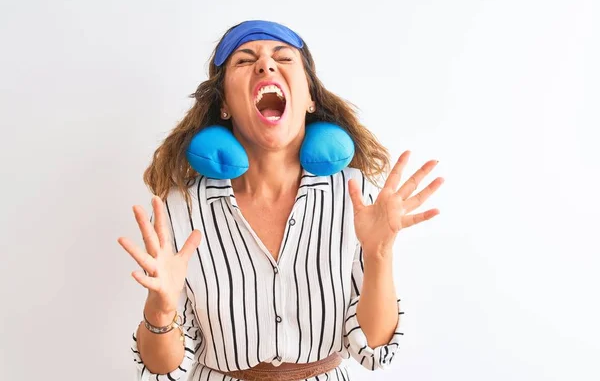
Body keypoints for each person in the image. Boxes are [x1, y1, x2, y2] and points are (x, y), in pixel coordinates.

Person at [119, 20, 443, 381]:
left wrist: (379, 254)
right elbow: (162, 371)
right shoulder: (183, 209)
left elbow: (375, 348)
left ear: (309, 98)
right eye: (244, 60)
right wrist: (161, 310)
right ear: (224, 104)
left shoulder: (355, 196)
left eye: (283, 57)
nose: (265, 65)